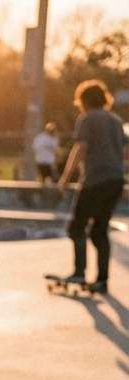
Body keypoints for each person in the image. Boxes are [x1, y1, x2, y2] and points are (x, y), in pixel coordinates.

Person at [57, 81, 126, 294]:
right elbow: (125, 152)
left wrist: (65, 178)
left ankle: (79, 272)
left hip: (95, 180)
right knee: (99, 230)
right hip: (116, 180)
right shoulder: (115, 120)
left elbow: (81, 148)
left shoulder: (87, 119)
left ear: (84, 100)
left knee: (76, 227)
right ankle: (102, 280)